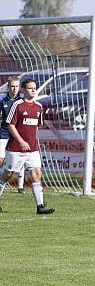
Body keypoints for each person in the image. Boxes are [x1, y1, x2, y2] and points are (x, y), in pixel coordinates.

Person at [0, 78, 54, 214]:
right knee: (7, 174)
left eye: (34, 88)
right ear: (23, 90)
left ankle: (40, 206)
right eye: (30, 88)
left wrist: (31, 142)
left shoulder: (39, 106)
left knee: (37, 174)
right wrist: (21, 141)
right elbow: (11, 125)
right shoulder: (17, 105)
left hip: (32, 149)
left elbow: (36, 126)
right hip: (15, 148)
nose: (33, 90)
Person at [0, 76, 24, 193]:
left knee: (19, 160)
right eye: (12, 86)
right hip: (4, 133)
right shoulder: (3, 100)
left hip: (17, 135)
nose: (15, 89)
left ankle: (20, 186)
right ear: (8, 87)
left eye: (17, 86)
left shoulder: (22, 101)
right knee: (1, 159)